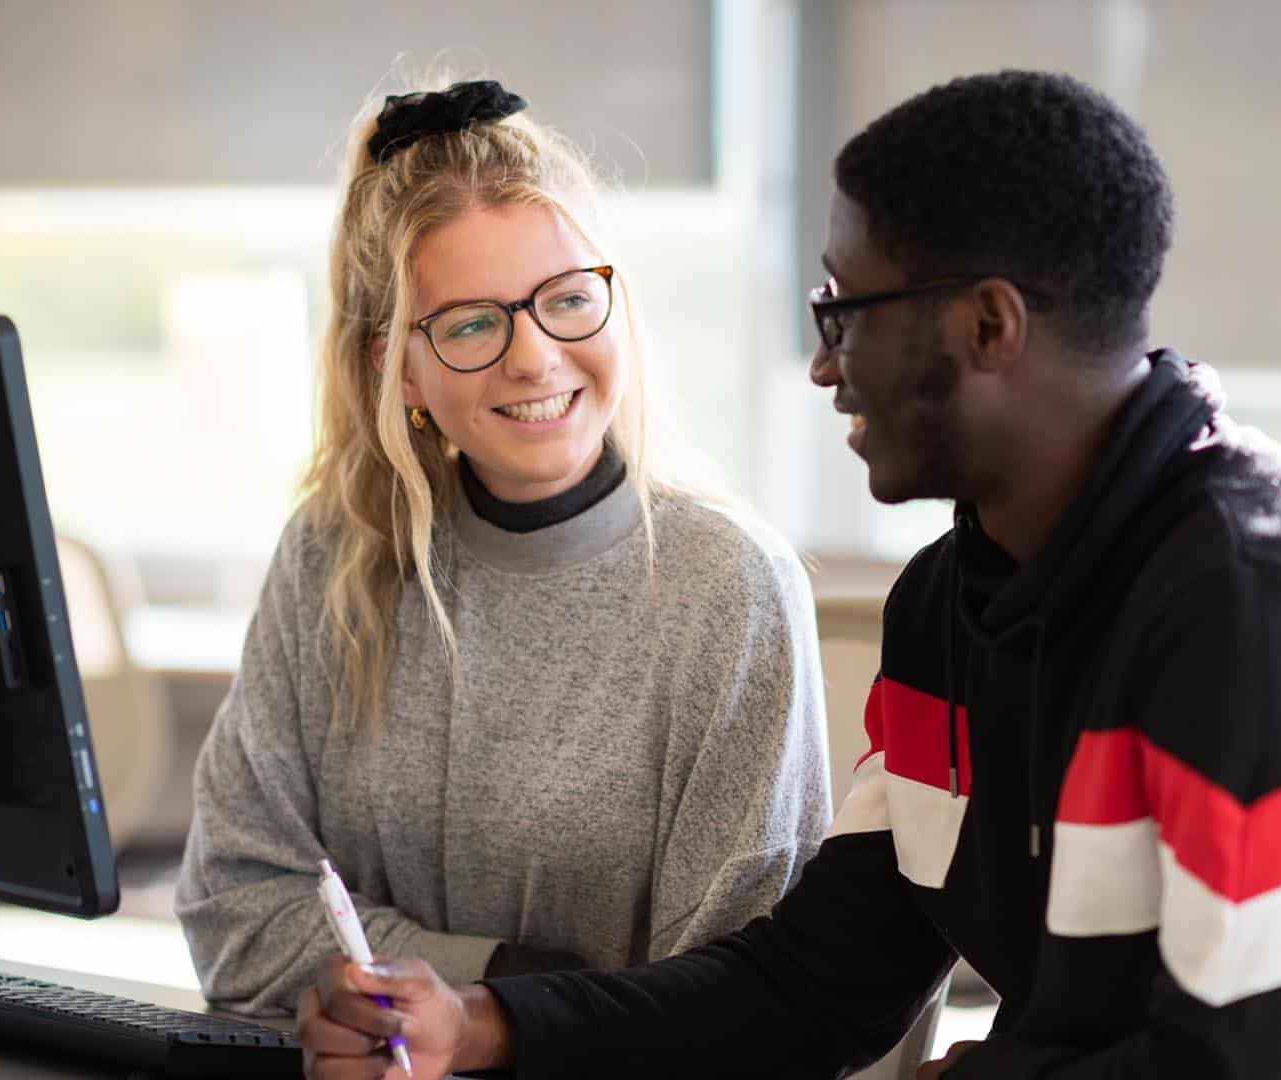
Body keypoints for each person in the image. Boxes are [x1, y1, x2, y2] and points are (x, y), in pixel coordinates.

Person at [300, 70, 1281, 1079]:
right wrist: (484, 1025)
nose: (825, 368)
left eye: (845, 310)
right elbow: (814, 986)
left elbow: (1243, 1071)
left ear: (985, 327)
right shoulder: (955, 606)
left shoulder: (1257, 612)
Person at [173, 78, 831, 1017]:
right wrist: (504, 975)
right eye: (473, 323)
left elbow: (735, 1009)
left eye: (566, 299)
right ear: (397, 366)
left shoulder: (727, 587)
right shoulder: (334, 555)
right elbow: (233, 917)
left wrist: (484, 1023)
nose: (534, 356)